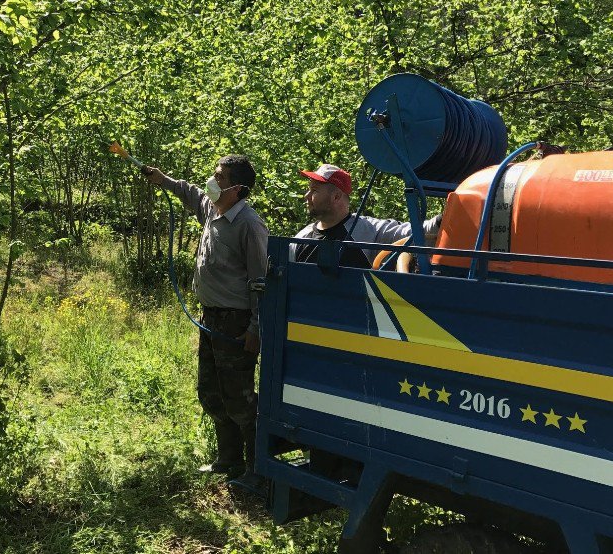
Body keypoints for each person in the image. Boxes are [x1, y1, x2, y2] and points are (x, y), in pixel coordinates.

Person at [143, 155, 268, 490]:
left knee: (239, 398)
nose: (212, 180)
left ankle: (258, 470)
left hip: (236, 322)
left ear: (237, 188)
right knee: (210, 392)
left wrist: (255, 328)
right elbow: (189, 191)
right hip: (210, 317)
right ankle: (229, 459)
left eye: (219, 176)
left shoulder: (250, 226)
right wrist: (162, 179)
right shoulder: (213, 209)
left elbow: (260, 283)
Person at [292, 164, 440, 267]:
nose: (306, 195)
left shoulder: (368, 230)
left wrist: (443, 219)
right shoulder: (301, 239)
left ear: (336, 197)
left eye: (314, 190)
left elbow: (416, 232)